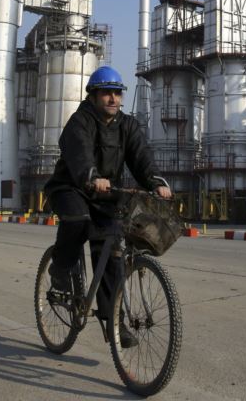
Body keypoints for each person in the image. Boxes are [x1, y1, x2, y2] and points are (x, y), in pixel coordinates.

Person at [43, 65, 172, 348]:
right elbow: (79, 151)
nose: (113, 99)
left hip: (106, 194)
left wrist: (155, 182)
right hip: (71, 187)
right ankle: (60, 271)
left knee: (112, 255)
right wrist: (90, 175)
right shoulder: (81, 121)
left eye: (117, 93)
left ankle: (115, 322)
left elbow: (141, 157)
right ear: (93, 95)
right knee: (76, 220)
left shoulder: (127, 125)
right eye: (106, 93)